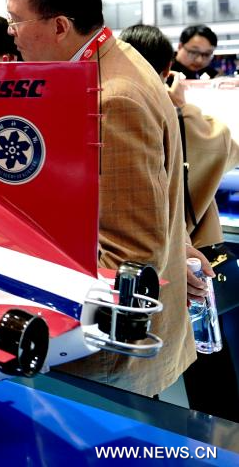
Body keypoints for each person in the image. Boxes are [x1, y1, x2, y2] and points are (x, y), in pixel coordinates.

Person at [4, 0, 196, 397]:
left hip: (108, 355)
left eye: (16, 21)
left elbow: (130, 252)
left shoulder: (112, 100)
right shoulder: (114, 60)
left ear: (59, 26)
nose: (11, 33)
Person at [120, 23, 239, 420]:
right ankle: (220, 440)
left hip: (140, 263)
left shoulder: (114, 111)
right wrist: (184, 108)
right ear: (169, 67)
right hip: (198, 256)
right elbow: (230, 149)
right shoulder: (184, 119)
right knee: (210, 369)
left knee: (141, 371)